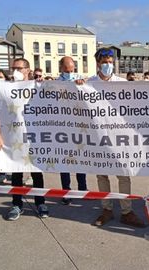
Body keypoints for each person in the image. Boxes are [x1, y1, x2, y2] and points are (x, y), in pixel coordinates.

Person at [87, 48, 145, 228]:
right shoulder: (88, 83)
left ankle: (126, 211)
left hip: (120, 137)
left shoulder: (122, 84)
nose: (108, 65)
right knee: (102, 175)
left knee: (123, 175)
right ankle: (107, 209)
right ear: (98, 63)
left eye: (111, 62)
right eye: (105, 62)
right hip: (98, 137)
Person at [0, 58, 48, 221]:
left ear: (28, 70)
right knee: (16, 174)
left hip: (35, 139)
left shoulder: (38, 87)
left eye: (19, 68)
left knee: (37, 173)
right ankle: (17, 204)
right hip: (14, 139)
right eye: (13, 68)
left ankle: (40, 203)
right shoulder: (5, 89)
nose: (15, 71)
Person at [57, 56, 87, 205]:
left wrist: (82, 86)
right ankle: (66, 191)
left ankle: (82, 189)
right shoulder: (55, 83)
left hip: (78, 127)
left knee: (80, 159)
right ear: (61, 68)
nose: (70, 72)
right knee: (65, 163)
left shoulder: (81, 80)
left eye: (72, 69)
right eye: (67, 70)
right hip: (63, 127)